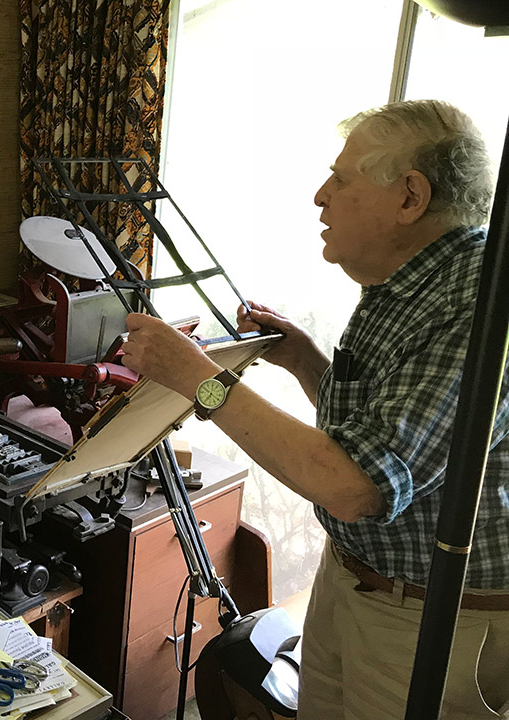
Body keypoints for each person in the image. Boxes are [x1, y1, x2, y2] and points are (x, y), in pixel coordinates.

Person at [123, 99, 509, 719]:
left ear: (410, 197)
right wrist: (304, 360)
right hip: (355, 579)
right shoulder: (407, 280)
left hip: (433, 620)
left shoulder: (479, 304)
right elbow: (377, 431)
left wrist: (200, 379)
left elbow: (354, 485)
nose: (320, 196)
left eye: (342, 178)